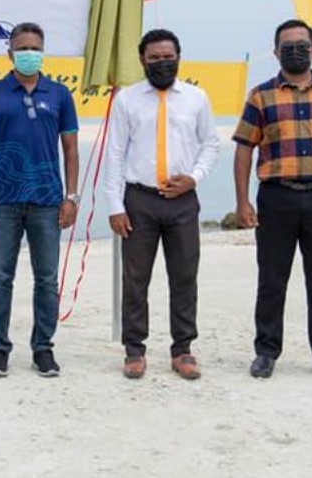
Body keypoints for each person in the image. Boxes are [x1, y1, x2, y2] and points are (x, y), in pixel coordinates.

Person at [232, 19, 312, 383]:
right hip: (276, 199)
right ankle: (266, 352)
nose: (295, 52)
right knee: (271, 280)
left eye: (301, 46)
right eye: (287, 47)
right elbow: (244, 149)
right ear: (276, 53)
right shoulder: (260, 96)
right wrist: (242, 201)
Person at [104, 29, 220, 380]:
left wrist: (194, 178)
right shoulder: (127, 99)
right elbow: (115, 152)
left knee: (184, 276)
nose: (162, 62)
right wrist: (115, 204)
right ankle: (134, 349)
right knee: (135, 278)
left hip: (182, 201)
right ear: (142, 60)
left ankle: (182, 349)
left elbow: (210, 143)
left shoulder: (196, 98)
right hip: (139, 199)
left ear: (178, 57)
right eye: (154, 57)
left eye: (168, 57)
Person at [0, 22, 79, 378]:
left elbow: (71, 149)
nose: (29, 54)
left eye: (35, 48)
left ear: (43, 52)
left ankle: (43, 348)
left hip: (47, 200)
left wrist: (71, 197)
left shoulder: (60, 94)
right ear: (10, 53)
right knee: (0, 278)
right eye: (22, 48)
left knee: (47, 280)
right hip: (2, 199)